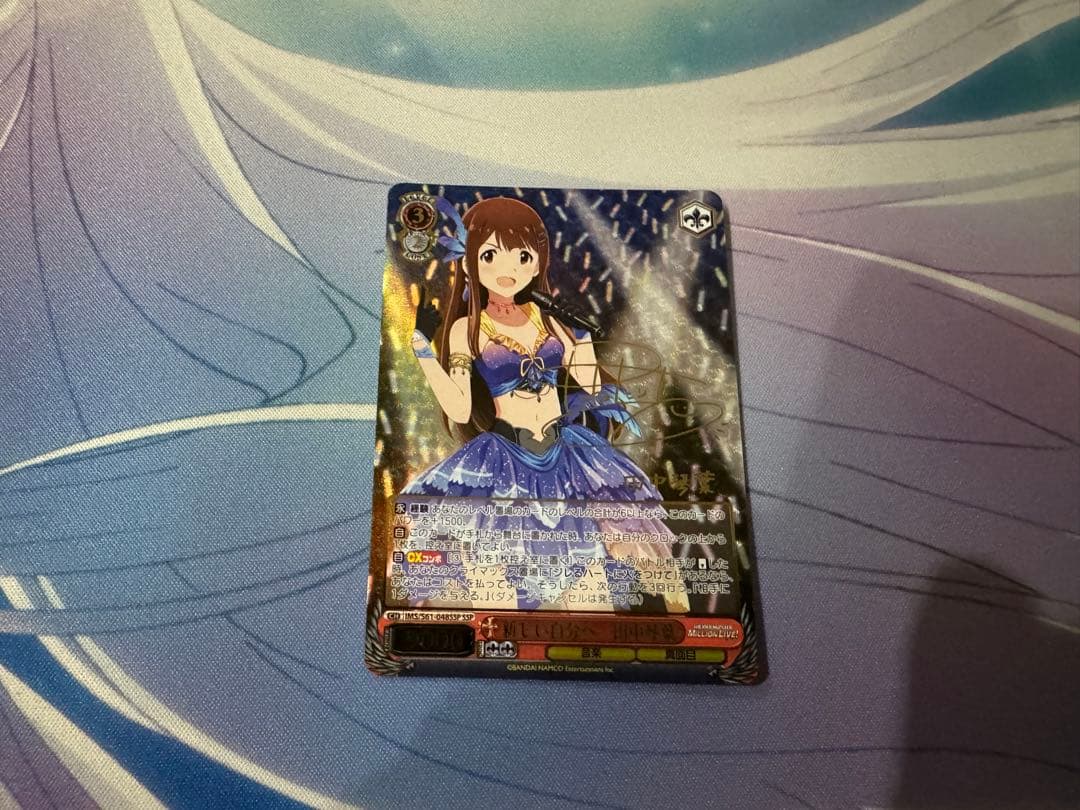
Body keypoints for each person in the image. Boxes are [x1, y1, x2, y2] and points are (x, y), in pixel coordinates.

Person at [402, 195, 687, 612]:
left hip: (566, 456)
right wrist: (423, 351)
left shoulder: (550, 317)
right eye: (490, 255)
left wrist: (581, 335)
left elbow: (590, 383)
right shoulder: (468, 328)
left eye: (522, 256)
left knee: (591, 593)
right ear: (470, 263)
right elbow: (460, 410)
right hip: (503, 462)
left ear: (537, 261)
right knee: (494, 585)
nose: (508, 269)